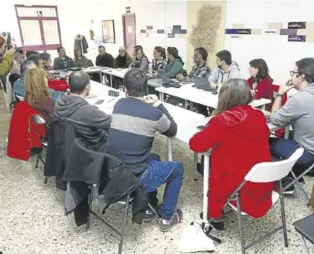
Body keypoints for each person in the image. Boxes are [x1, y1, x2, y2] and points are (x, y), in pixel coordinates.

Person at [105, 69, 184, 232]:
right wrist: (159, 105)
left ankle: (148, 205)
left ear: (125, 89)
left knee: (154, 156)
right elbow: (172, 130)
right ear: (146, 89)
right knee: (177, 168)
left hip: (113, 170)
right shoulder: (154, 113)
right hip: (134, 174)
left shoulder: (118, 105)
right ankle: (167, 217)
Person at [190, 78, 274, 230]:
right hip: (261, 184)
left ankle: (214, 215)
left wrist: (208, 129)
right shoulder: (259, 116)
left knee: (210, 164)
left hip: (238, 186)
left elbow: (195, 145)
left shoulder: (222, 121)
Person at [266, 58, 314, 194]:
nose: (291, 76)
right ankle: (295, 176)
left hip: (309, 153)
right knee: (284, 135)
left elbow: (275, 120)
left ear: (302, 77)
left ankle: (285, 182)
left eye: (293, 73)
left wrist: (280, 93)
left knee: (264, 142)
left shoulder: (300, 99)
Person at [54, 71, 111, 152]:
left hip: (72, 146)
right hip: (94, 148)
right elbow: (112, 123)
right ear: (87, 86)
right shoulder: (89, 112)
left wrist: (82, 98)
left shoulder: (60, 101)